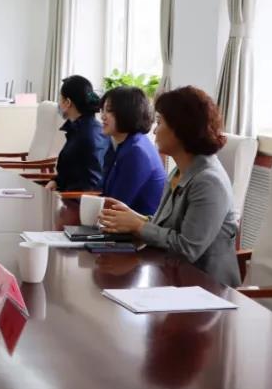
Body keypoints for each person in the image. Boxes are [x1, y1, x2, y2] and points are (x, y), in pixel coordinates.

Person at [98, 86, 240, 287]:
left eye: (159, 122)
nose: (155, 130)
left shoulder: (208, 181)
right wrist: (133, 217)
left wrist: (138, 226)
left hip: (206, 287)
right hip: (172, 275)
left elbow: (187, 248)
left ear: (181, 129)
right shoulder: (180, 170)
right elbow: (166, 227)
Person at [99, 86, 167, 215]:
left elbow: (116, 204)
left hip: (137, 226)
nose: (102, 116)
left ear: (126, 112)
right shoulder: (126, 143)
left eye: (109, 111)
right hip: (119, 221)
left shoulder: (136, 151)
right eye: (103, 110)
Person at [47, 75, 110, 192]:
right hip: (69, 194)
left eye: (60, 99)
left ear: (68, 102)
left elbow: (91, 185)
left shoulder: (85, 135)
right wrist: (55, 181)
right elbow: (72, 171)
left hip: (76, 200)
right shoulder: (85, 128)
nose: (58, 104)